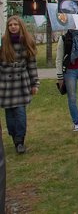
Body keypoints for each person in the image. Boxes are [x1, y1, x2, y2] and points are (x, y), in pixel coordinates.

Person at [0, 16, 39, 154]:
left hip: (21, 83)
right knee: (10, 116)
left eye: (16, 24)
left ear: (20, 26)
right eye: (10, 25)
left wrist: (35, 84)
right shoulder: (3, 42)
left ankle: (20, 141)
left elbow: (32, 66)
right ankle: (14, 137)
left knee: (20, 113)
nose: (13, 27)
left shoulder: (27, 42)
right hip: (5, 84)